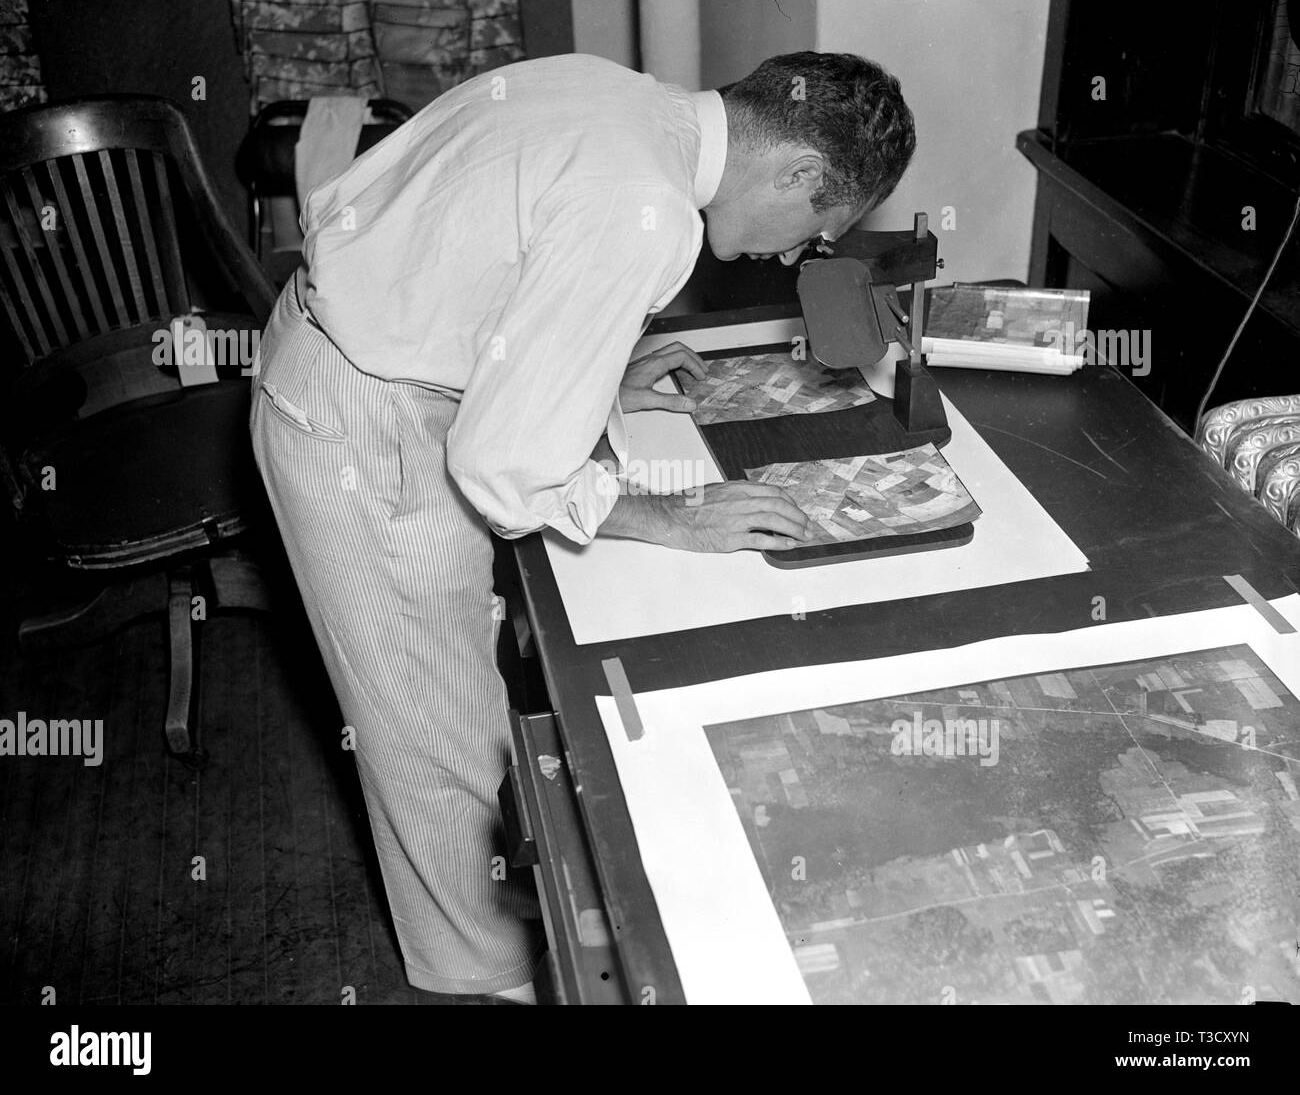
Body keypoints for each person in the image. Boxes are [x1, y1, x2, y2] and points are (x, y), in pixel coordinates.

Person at [249, 50, 915, 1002]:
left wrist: (589, 361)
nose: (791, 252)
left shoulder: (618, 95)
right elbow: (501, 467)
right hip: (366, 425)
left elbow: (488, 247)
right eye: (818, 227)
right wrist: (666, 517)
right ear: (802, 173)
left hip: (349, 354)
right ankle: (501, 981)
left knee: (453, 709)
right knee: (443, 741)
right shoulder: (647, 215)